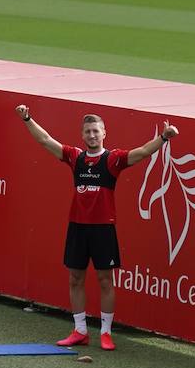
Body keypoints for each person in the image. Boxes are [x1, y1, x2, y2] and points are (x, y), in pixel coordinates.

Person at [15, 105, 179, 351]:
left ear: (104, 134)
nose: (92, 135)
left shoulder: (112, 160)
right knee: (75, 279)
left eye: (96, 131)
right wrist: (27, 118)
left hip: (103, 229)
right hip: (78, 227)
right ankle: (80, 330)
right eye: (88, 132)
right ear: (82, 135)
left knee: (105, 280)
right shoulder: (75, 157)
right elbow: (45, 140)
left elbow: (143, 152)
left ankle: (105, 333)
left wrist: (164, 137)